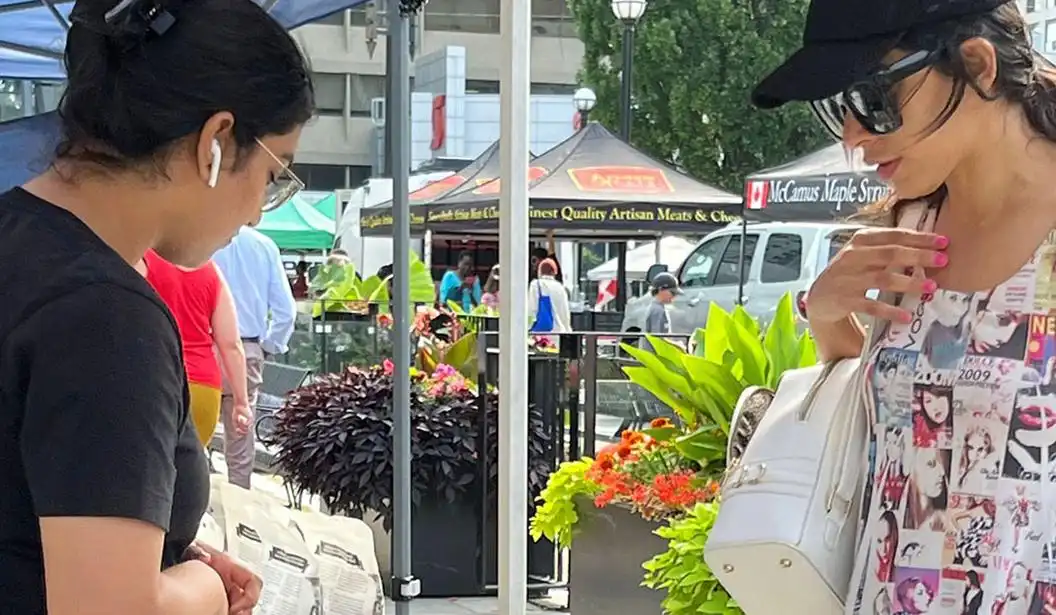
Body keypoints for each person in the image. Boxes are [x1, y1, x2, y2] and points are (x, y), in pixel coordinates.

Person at [0, 0, 314, 611]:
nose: (256, 212)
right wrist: (204, 589)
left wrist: (164, 557)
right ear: (218, 140)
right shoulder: (107, 317)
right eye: (276, 175)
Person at [751, 1, 1056, 612]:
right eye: (837, 108)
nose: (852, 136)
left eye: (871, 99)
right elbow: (890, 418)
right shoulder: (910, 226)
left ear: (976, 64)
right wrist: (829, 312)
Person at [212, 224, 297, 489]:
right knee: (240, 437)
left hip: (204, 346)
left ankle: (194, 507)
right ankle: (239, 507)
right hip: (247, 348)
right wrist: (268, 345)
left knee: (193, 431)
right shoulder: (265, 246)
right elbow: (286, 311)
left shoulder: (206, 239)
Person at [138, 250, 252, 447]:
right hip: (204, 386)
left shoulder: (142, 260)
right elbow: (231, 345)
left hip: (155, 378)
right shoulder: (212, 272)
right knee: (191, 467)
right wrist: (241, 403)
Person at [529, 258, 572, 333]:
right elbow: (565, 313)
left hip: (541, 333)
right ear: (554, 272)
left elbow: (532, 309)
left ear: (540, 271)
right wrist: (568, 330)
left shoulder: (536, 285)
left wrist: (528, 327)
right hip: (559, 332)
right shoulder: (560, 287)